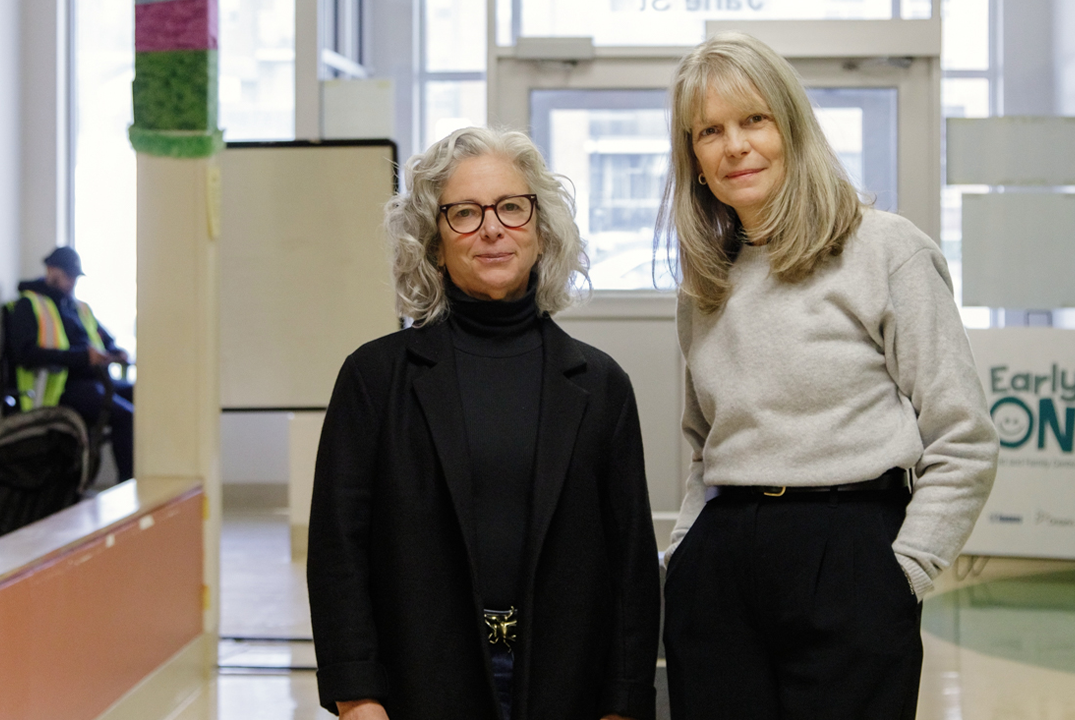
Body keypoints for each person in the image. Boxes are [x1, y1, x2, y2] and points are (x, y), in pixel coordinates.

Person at [657, 32, 999, 720]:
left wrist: (901, 572)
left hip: (851, 553)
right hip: (722, 566)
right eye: (710, 131)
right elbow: (703, 444)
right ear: (693, 158)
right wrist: (686, 555)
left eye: (754, 119)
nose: (735, 146)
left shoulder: (885, 248)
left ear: (792, 126)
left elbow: (964, 438)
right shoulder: (706, 283)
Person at [307, 127, 661, 720]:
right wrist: (357, 698)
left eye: (511, 208)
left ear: (541, 229)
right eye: (464, 213)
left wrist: (624, 704)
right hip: (419, 677)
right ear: (433, 240)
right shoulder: (373, 379)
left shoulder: (601, 386)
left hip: (565, 680)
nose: (492, 228)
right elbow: (338, 552)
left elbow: (630, 563)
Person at [10, 246, 133, 482]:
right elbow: (26, 355)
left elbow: (104, 340)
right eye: (67, 275)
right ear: (50, 269)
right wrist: (82, 357)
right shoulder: (29, 305)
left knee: (143, 395)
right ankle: (127, 484)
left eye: (75, 277)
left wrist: (115, 352)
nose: (71, 282)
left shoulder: (78, 307)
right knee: (125, 417)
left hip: (95, 378)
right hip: (63, 388)